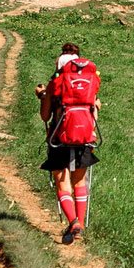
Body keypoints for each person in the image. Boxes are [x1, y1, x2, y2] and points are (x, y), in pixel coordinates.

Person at [37, 42, 100, 244]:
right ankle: (79, 224)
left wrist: (43, 97)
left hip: (59, 139)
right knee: (79, 182)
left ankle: (73, 222)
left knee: (62, 181)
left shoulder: (55, 84)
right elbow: (95, 109)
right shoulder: (88, 83)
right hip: (84, 138)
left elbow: (44, 116)